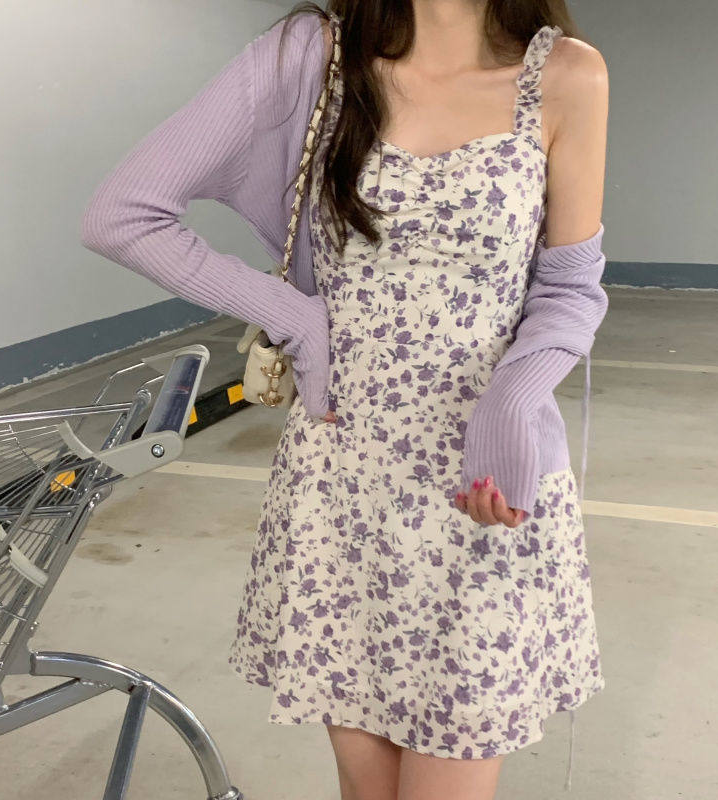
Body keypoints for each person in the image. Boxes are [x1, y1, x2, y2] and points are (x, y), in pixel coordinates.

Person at [81, 2, 609, 798]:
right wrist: (292, 315)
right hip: (343, 481)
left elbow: (570, 289)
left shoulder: (567, 75)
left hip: (484, 488)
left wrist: (513, 399)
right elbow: (121, 213)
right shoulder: (313, 54)